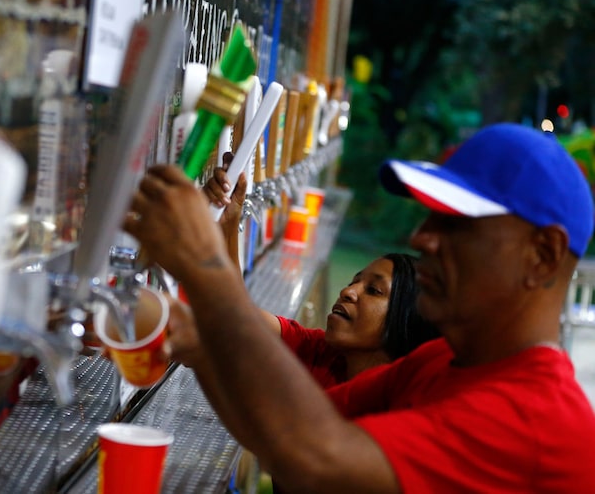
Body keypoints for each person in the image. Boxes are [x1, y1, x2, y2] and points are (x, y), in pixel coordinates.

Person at [123, 123, 595, 492]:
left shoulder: (533, 422)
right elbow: (280, 427)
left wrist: (207, 265)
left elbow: (312, 457)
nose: (420, 238)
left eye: (458, 224)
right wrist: (191, 337)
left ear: (543, 255)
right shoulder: (440, 361)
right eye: (431, 217)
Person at [194, 164, 439, 385]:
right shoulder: (323, 354)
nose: (348, 292)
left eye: (373, 290)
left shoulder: (390, 410)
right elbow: (239, 315)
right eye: (354, 282)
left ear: (407, 318)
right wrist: (228, 221)